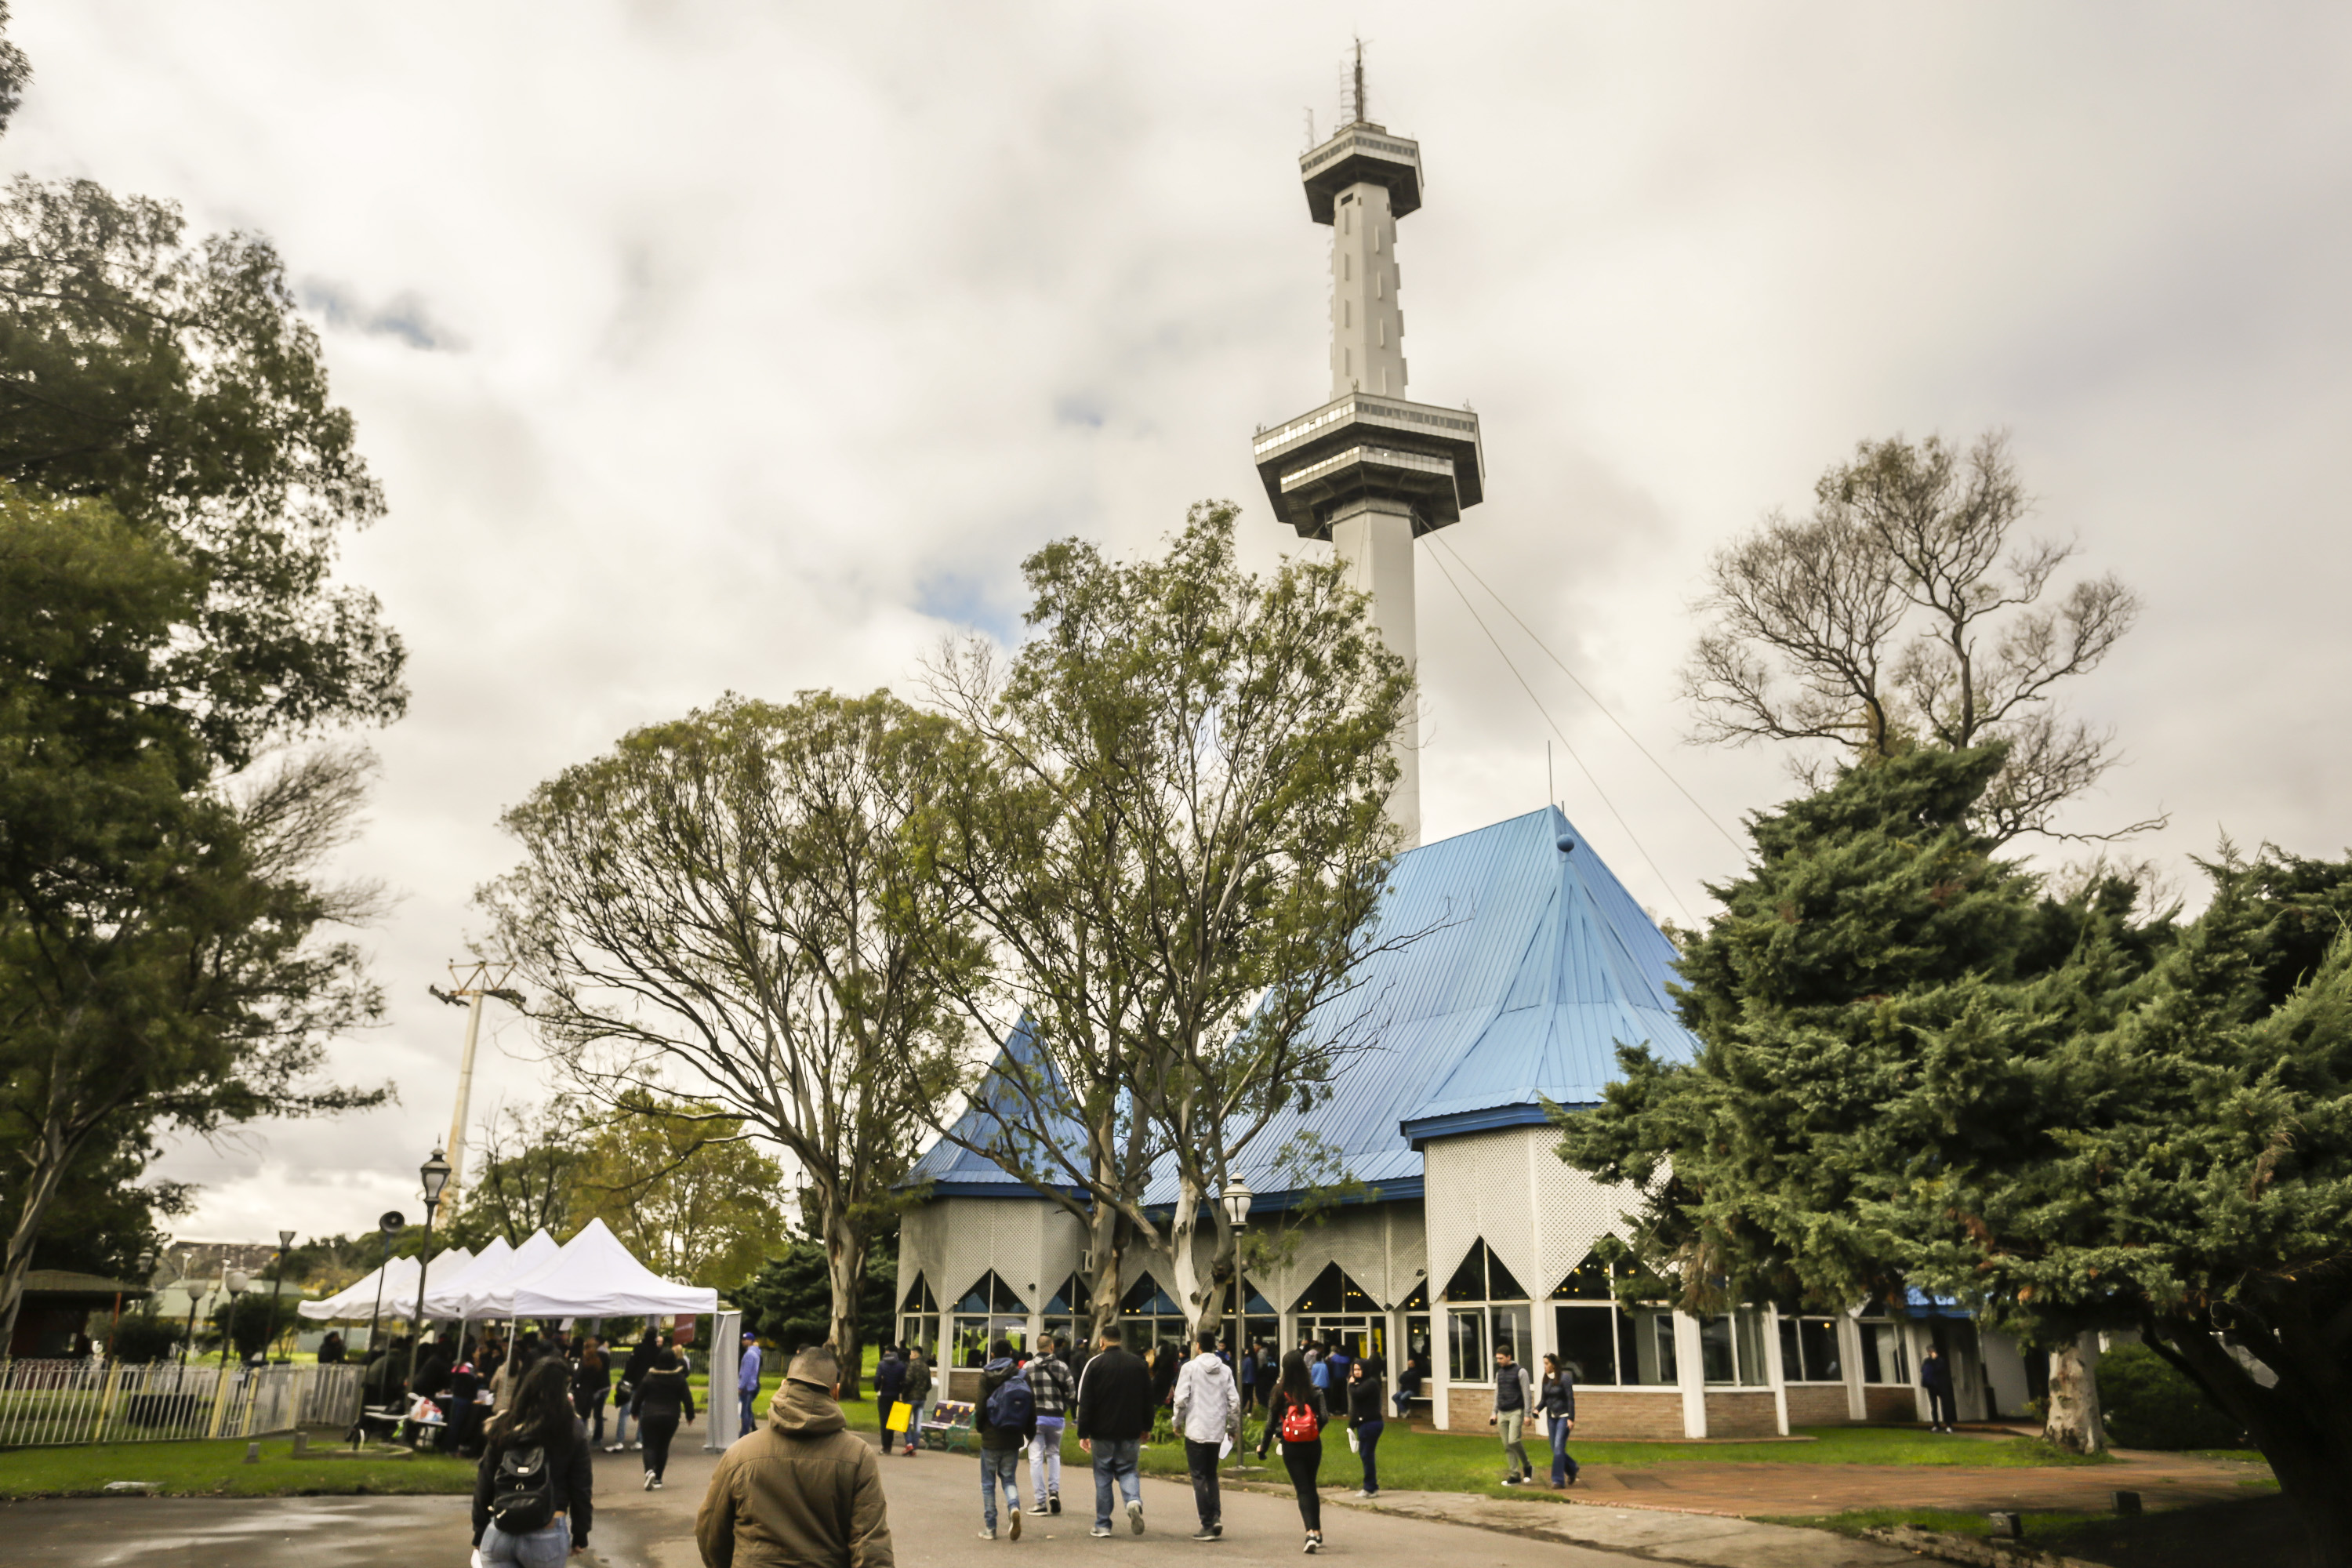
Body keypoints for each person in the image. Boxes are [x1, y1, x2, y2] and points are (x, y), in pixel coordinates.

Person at [695, 1344, 895, 1568]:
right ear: (835, 1392)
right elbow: (871, 1546)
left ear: (783, 1385)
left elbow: (710, 1529)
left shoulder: (740, 1453)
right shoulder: (857, 1455)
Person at [471, 1355, 594, 1567]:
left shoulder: (505, 1424)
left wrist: (479, 1531)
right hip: (547, 1531)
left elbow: (485, 1480)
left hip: (501, 1529)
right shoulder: (571, 1429)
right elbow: (581, 1488)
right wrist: (580, 1533)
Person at [1074, 1323, 1153, 1539]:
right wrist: (1146, 1426)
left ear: (1102, 1341)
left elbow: (1086, 1402)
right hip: (1130, 1429)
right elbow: (1148, 1399)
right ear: (1121, 1341)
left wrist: (1083, 1432)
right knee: (1128, 1470)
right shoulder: (1138, 1365)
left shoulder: (1095, 1365)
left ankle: (1102, 1525)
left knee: (1103, 1476)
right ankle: (1133, 1501)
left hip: (1102, 1431)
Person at [1255, 1348, 1330, 1553]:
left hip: (1291, 1447)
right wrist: (1313, 1431)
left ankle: (1310, 1533)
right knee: (1311, 1486)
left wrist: (1263, 1446)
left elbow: (1270, 1424)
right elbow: (1324, 1417)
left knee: (1302, 1489)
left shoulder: (1279, 1392)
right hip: (1313, 1445)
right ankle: (1318, 1530)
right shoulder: (1315, 1391)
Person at [1171, 1330, 1239, 1541]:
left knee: (1198, 1476)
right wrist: (1233, 1427)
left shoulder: (1190, 1368)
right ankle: (1216, 1515)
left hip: (1196, 1429)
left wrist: (1177, 1422)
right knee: (1211, 1474)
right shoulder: (1225, 1370)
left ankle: (1207, 1522)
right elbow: (1234, 1403)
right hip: (1216, 1429)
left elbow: (1181, 1399)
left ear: (1198, 1345)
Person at [975, 1337, 1035, 1541]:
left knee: (988, 1484)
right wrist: (1030, 1432)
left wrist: (980, 1427)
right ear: (1011, 1354)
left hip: (991, 1437)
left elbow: (981, 1406)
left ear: (992, 1354)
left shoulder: (985, 1376)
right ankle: (1014, 1507)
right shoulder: (1021, 1375)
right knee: (1008, 1478)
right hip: (1013, 1436)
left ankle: (990, 1528)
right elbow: (1030, 1406)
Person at [630, 1345, 697, 1490]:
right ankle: (659, 1478)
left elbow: (638, 1397)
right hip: (671, 1417)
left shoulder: (650, 1377)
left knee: (649, 1445)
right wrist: (690, 1415)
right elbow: (687, 1398)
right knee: (663, 1446)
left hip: (650, 1416)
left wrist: (634, 1412)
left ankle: (649, 1471)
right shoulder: (679, 1378)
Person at [1025, 1333, 1076, 1515]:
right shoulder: (1062, 1367)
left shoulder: (1028, 1368)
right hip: (1056, 1418)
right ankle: (1054, 1492)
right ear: (1052, 1347)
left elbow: (1022, 1394)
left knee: (1036, 1459)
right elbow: (1072, 1393)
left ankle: (1040, 1501)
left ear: (1038, 1347)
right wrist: (1063, 1409)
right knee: (1054, 1454)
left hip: (1036, 1419)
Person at [1490, 1345, 1536, 1484]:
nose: (1498, 1361)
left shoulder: (1521, 1372)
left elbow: (1526, 1394)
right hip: (1502, 1412)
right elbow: (1497, 1394)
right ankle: (1514, 1474)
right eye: (1497, 1358)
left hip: (1516, 1411)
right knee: (1507, 1445)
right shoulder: (1499, 1374)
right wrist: (1494, 1413)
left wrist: (1527, 1414)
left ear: (1509, 1357)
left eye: (1501, 1358)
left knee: (1513, 1440)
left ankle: (1527, 1465)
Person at [609, 1327, 660, 1453]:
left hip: (635, 1385)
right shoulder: (658, 1351)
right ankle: (639, 1441)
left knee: (625, 1413)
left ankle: (619, 1441)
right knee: (643, 1414)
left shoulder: (639, 1348)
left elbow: (631, 1365)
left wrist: (625, 1380)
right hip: (650, 1386)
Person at [1345, 1358, 1385, 1499]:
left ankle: (1370, 1488)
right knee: (1365, 1454)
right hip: (1363, 1423)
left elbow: (1356, 1395)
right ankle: (1370, 1486)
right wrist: (1352, 1424)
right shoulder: (1360, 1383)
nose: (1356, 1372)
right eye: (1355, 1370)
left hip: (1371, 1424)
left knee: (1367, 1454)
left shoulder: (1370, 1383)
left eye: (1359, 1370)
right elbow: (1357, 1407)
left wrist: (1350, 1386)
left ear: (1365, 1370)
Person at [1538, 1353, 1579, 1488]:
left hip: (1564, 1416)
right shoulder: (1545, 1380)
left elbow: (1570, 1399)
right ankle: (1572, 1468)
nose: (1545, 1366)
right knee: (1554, 1448)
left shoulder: (1565, 1379)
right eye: (1544, 1363)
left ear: (1553, 1365)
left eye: (1546, 1363)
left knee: (1558, 1447)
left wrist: (1571, 1418)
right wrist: (1537, 1409)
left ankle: (1557, 1480)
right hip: (1552, 1417)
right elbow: (1544, 1400)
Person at [574, 1336, 612, 1449]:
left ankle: (582, 1438)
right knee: (598, 1415)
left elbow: (579, 1376)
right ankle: (597, 1438)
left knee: (583, 1414)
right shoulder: (604, 1356)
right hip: (604, 1387)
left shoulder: (586, 1359)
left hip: (590, 1389)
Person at [898, 1347, 933, 1457]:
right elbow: (929, 1385)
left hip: (910, 1397)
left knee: (905, 1421)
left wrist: (903, 1394)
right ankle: (915, 1445)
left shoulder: (911, 1365)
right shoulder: (926, 1367)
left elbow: (908, 1381)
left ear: (915, 1354)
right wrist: (923, 1392)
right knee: (918, 1424)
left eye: (911, 1354)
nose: (910, 1356)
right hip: (922, 1398)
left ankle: (909, 1443)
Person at [874, 1344, 907, 1448]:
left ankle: (885, 1446)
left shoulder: (881, 1365)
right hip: (895, 1395)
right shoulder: (901, 1365)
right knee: (893, 1420)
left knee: (884, 1420)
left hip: (884, 1395)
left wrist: (877, 1388)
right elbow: (904, 1381)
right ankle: (890, 1441)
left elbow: (877, 1379)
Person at [1921, 1345, 1955, 1432]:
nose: (1930, 1352)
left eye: (1931, 1351)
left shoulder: (1940, 1360)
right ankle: (1936, 1425)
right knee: (1934, 1406)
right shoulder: (1927, 1361)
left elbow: (1940, 1369)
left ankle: (1948, 1425)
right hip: (1932, 1386)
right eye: (1929, 1351)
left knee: (1945, 1405)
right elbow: (1923, 1370)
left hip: (1942, 1386)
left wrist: (1934, 1360)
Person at [736, 1333, 764, 1439]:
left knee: (745, 1410)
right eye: (743, 1339)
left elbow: (746, 1372)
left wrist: (741, 1386)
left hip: (748, 1386)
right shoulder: (756, 1353)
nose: (744, 1341)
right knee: (748, 1409)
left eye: (746, 1339)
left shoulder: (749, 1354)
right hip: (752, 1384)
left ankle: (744, 1432)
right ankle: (750, 1429)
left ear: (751, 1341)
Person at [1392, 1354, 1423, 1418]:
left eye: (1411, 1364)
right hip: (1404, 1390)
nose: (1410, 1365)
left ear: (1414, 1364)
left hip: (1412, 1391)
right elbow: (1400, 1379)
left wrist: (1405, 1379)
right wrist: (1406, 1379)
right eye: (1409, 1364)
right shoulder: (1406, 1372)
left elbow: (1410, 1379)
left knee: (1402, 1398)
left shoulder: (1416, 1372)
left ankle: (1404, 1411)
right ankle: (1405, 1411)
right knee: (1394, 1397)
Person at [1236, 1340, 1258, 1414]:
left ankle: (1242, 1409)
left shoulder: (1246, 1359)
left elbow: (1242, 1369)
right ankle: (1250, 1411)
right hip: (1251, 1380)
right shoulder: (1253, 1359)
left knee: (1245, 1396)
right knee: (1250, 1396)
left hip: (1245, 1380)